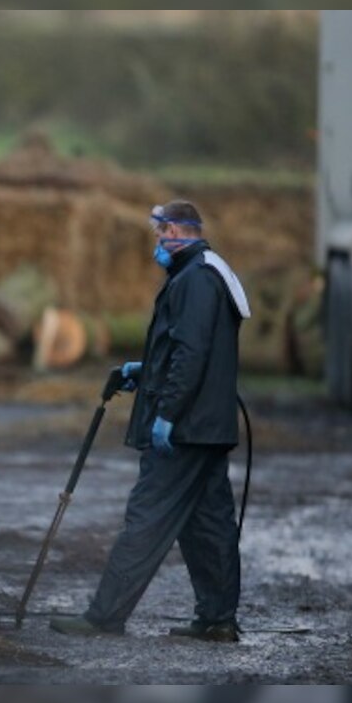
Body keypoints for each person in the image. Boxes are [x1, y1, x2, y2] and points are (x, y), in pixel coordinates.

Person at [51, 200, 250, 642]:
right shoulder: (204, 272)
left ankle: (104, 617)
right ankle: (217, 620)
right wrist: (145, 370)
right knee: (208, 523)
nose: (157, 242)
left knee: (147, 517)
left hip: (186, 428)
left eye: (161, 234)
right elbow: (190, 348)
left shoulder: (196, 279)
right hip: (206, 427)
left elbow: (192, 353)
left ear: (178, 232)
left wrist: (167, 414)